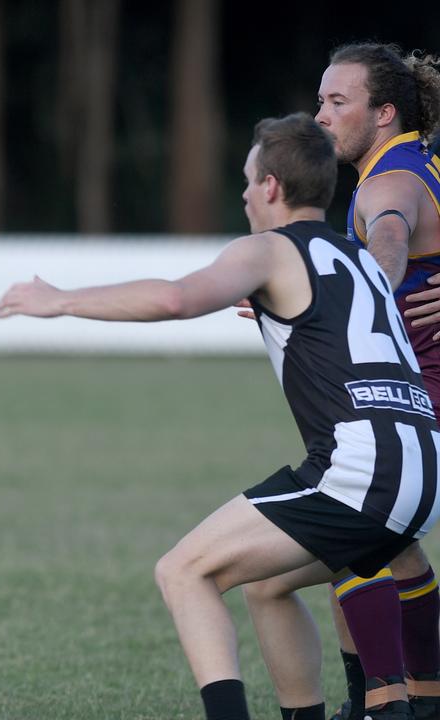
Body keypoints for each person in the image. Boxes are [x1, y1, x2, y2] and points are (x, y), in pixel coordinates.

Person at [0, 112, 438, 720]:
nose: (244, 194)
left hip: (361, 471)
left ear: (273, 188)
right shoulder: (358, 257)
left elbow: (177, 298)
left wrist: (60, 301)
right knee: (267, 582)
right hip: (422, 467)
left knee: (184, 572)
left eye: (249, 181)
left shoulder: (268, 248)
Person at [240, 42, 440, 720]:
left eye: (337, 102)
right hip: (413, 404)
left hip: (421, 405)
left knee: (355, 531)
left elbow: (387, 238)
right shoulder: (415, 162)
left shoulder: (387, 186)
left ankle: (388, 702)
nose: (321, 116)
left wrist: (343, 295)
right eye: (321, 100)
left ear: (383, 113)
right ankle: (404, 696)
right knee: (390, 552)